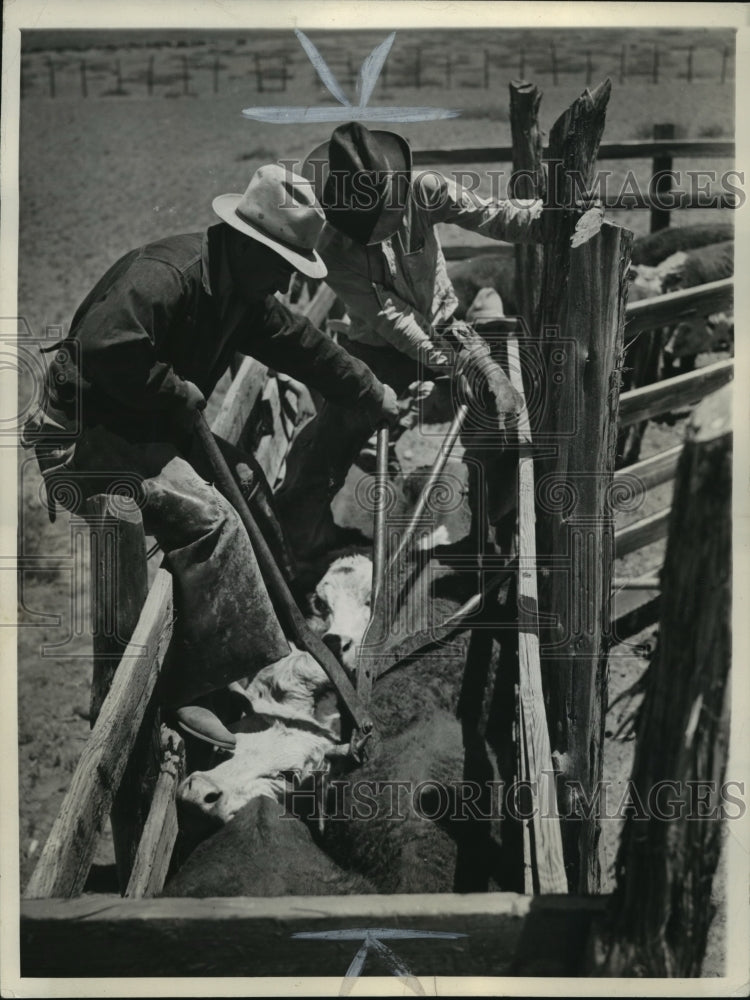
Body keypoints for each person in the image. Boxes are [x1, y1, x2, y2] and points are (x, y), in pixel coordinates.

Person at [22, 164, 399, 746]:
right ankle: (187, 692)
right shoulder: (167, 276)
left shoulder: (241, 290)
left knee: (245, 478)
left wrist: (368, 389)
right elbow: (102, 348)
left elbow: (303, 345)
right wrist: (173, 389)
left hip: (145, 425)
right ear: (250, 244)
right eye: (281, 267)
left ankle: (275, 625)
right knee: (209, 519)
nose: (281, 283)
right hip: (83, 434)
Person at [275, 121, 566, 562]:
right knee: (332, 438)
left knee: (502, 411)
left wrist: (552, 222)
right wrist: (455, 368)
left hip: (448, 327)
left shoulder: (424, 189)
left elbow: (491, 213)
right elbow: (393, 318)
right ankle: (300, 542)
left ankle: (487, 531)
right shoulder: (331, 241)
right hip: (376, 347)